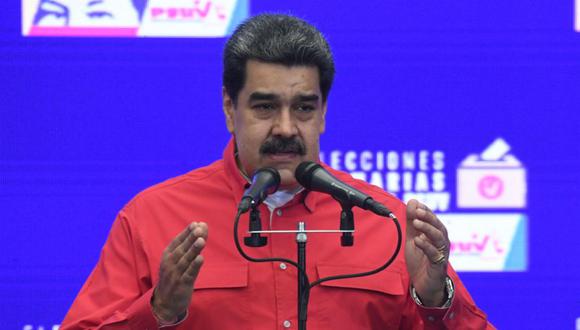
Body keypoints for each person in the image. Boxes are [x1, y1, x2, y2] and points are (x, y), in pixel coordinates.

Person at [61, 14, 493, 329]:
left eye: (303, 107)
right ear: (230, 108)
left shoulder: (385, 221)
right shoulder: (152, 218)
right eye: (265, 107)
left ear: (323, 113)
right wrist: (158, 312)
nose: (286, 128)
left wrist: (434, 300)